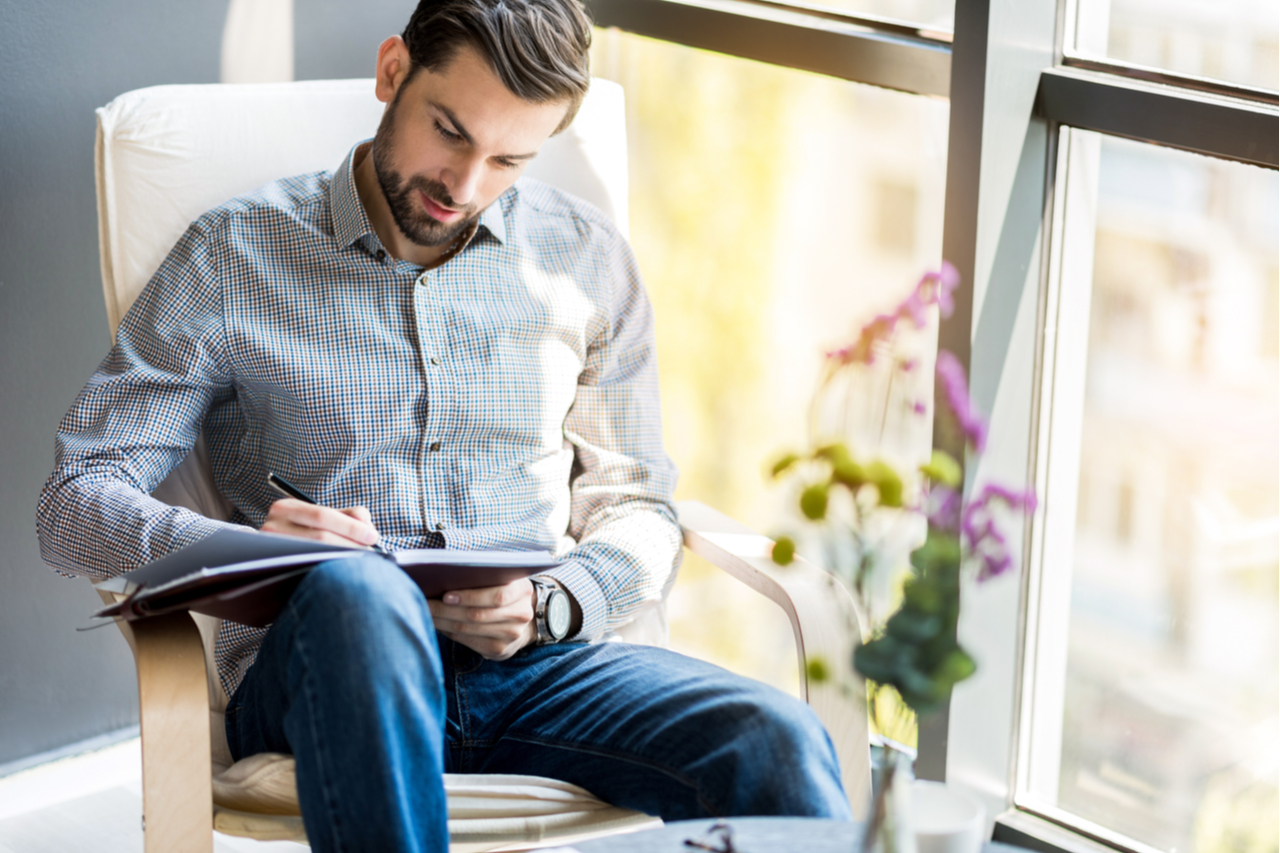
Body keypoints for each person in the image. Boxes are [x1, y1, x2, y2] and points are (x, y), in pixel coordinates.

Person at [36, 0, 852, 849]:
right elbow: (71, 502)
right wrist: (250, 551)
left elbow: (641, 503)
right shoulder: (232, 257)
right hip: (328, 665)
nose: (464, 187)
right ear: (393, 73)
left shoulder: (584, 259)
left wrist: (551, 602)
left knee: (776, 741)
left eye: (508, 160)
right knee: (361, 592)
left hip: (539, 671)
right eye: (451, 133)